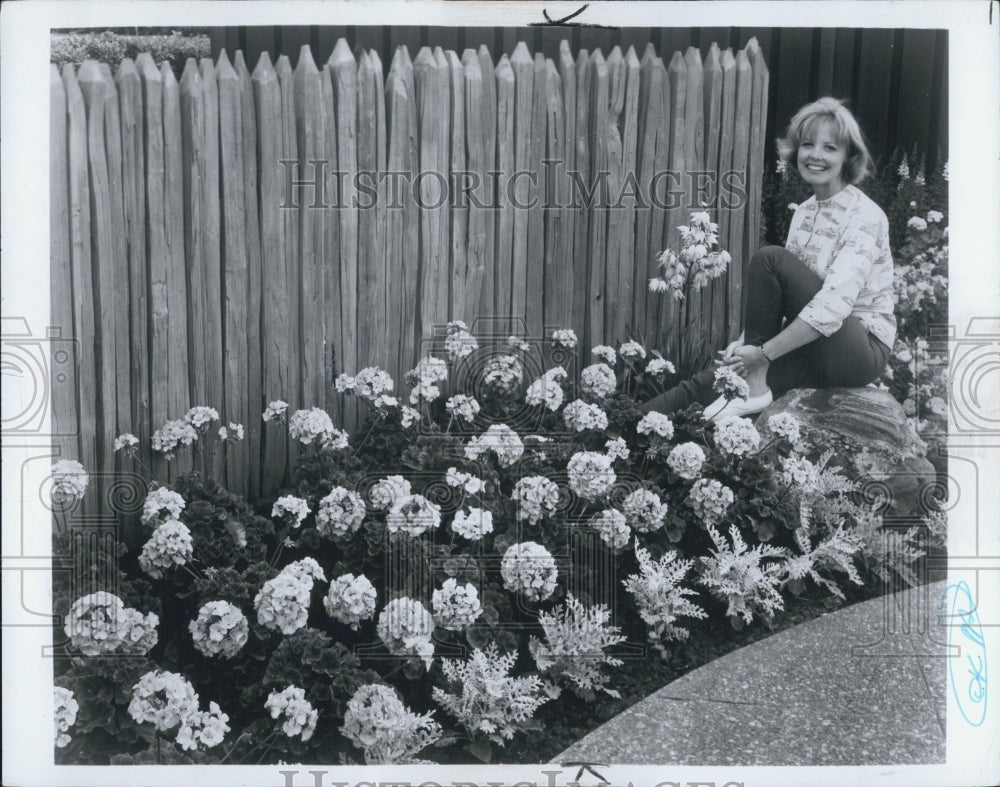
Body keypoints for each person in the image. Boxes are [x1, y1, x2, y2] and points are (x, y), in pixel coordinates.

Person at [641, 97, 896, 420]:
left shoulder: (864, 215)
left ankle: (756, 383)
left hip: (860, 349)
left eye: (830, 148)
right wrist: (744, 345)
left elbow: (831, 307)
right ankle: (618, 428)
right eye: (807, 145)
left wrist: (762, 355)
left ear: (849, 156)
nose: (815, 155)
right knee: (719, 379)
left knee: (769, 259)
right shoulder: (804, 212)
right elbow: (785, 300)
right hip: (818, 342)